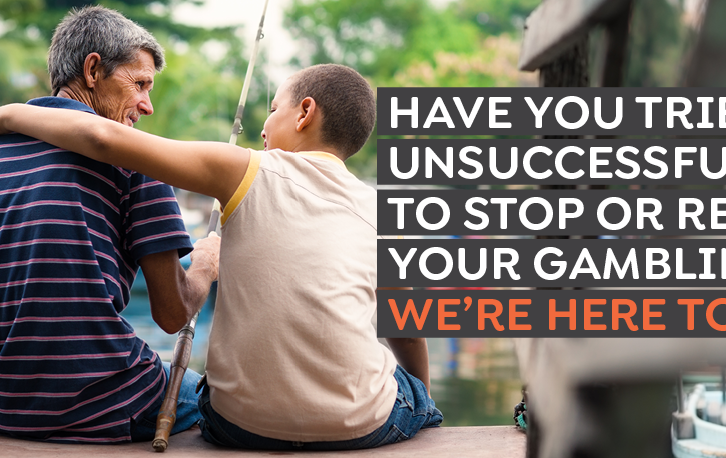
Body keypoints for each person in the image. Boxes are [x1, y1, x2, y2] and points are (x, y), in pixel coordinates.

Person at [0, 63, 442, 450]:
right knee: (415, 397)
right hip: (359, 426)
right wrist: (421, 393)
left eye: (273, 109)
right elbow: (407, 328)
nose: (264, 126)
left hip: (238, 426)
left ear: (305, 113)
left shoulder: (243, 168)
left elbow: (101, 136)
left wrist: (9, 113)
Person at [0, 6, 219, 443]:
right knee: (228, 401)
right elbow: (173, 315)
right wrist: (208, 263)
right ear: (94, 69)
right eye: (139, 84)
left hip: (7, 405)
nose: (148, 106)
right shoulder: (135, 156)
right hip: (105, 402)